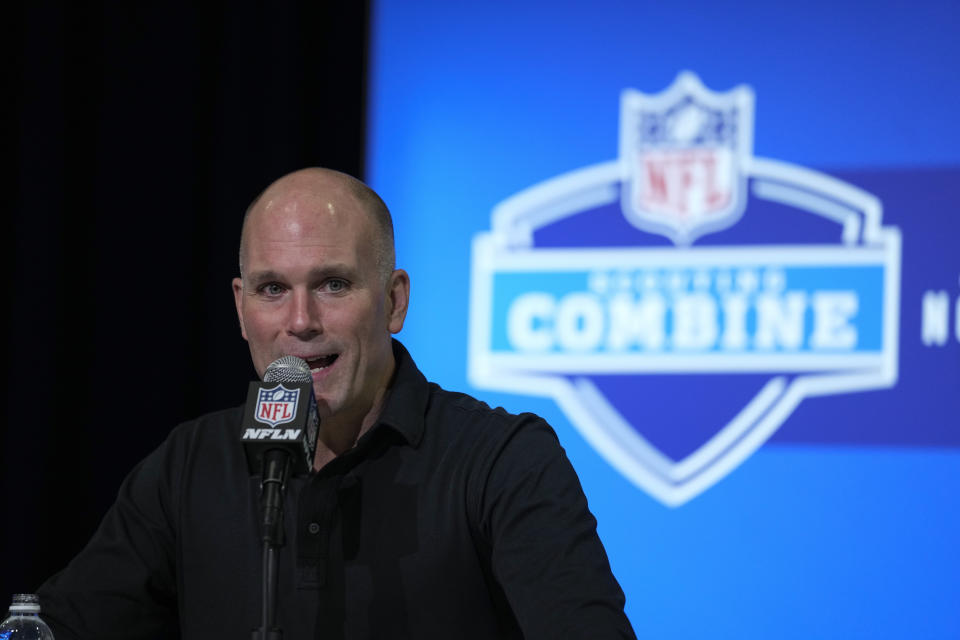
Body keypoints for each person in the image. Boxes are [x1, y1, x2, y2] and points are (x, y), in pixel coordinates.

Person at [37, 168, 636, 639]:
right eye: (274, 289)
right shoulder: (188, 465)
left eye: (333, 284)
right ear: (242, 310)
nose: (301, 322)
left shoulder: (501, 461)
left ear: (394, 302)